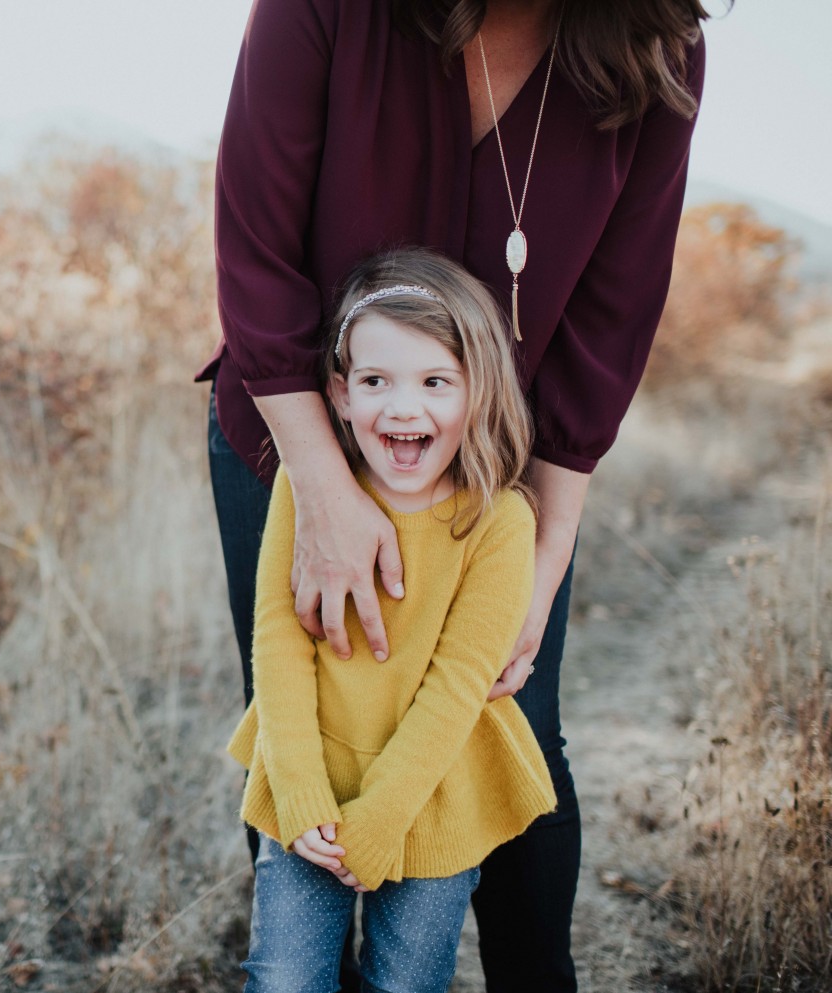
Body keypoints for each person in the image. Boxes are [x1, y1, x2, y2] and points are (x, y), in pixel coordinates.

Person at [202, 1, 712, 988]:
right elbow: (254, 249)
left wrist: (550, 540)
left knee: (513, 729)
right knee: (309, 719)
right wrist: (322, 494)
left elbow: (615, 309)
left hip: (494, 481)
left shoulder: (659, 48)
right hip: (298, 428)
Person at [228, 247, 557, 993]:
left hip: (433, 795)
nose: (404, 408)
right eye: (377, 381)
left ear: (477, 393)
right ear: (340, 395)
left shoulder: (499, 521)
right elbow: (278, 641)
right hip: (309, 784)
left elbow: (459, 685)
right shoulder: (306, 488)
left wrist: (382, 819)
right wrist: (304, 793)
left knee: (407, 982)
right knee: (283, 976)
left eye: (436, 382)